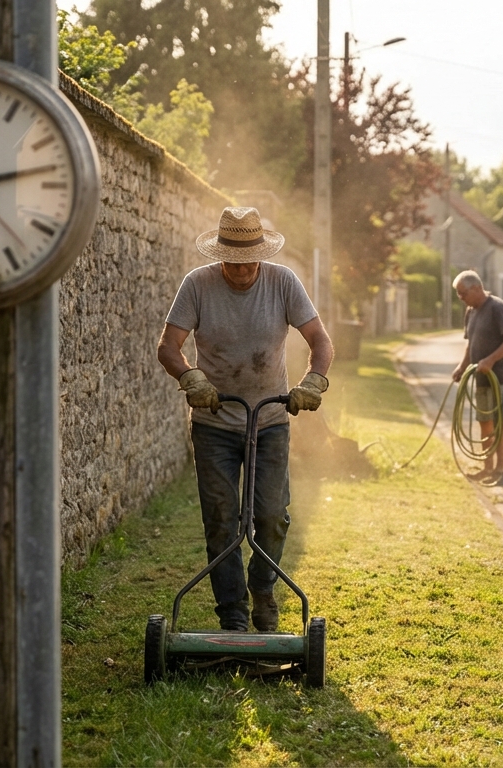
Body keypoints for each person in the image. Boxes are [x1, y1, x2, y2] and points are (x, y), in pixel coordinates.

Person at [157, 207, 334, 632]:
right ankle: (232, 614)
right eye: (233, 262)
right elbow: (169, 346)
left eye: (250, 260)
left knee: (272, 514)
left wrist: (313, 382)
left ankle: (264, 588)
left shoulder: (283, 281)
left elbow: (320, 341)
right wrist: (191, 377)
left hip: (271, 419)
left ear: (261, 252)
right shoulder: (197, 285)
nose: (242, 269)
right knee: (221, 518)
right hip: (215, 421)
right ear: (221, 256)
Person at [450, 270, 503, 485]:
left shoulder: (497, 308)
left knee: (499, 424)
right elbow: (471, 343)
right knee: (484, 423)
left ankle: (500, 471)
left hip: (501, 377)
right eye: (458, 294)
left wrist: (490, 360)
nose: (461, 298)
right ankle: (486, 469)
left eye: (463, 293)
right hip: (480, 377)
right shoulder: (471, 311)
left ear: (477, 288)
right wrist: (462, 366)